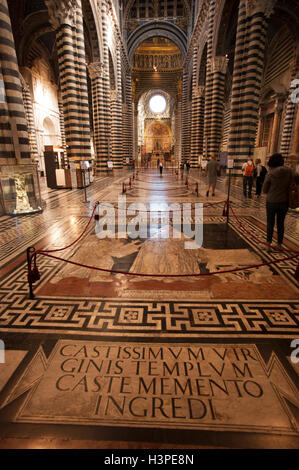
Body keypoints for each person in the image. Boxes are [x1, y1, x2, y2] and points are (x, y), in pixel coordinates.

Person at [263, 153, 299, 251]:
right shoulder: (290, 171)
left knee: (270, 223)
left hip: (271, 201)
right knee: (280, 224)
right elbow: (296, 181)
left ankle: (268, 244)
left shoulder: (270, 173)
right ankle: (279, 244)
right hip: (284, 201)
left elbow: (265, 189)